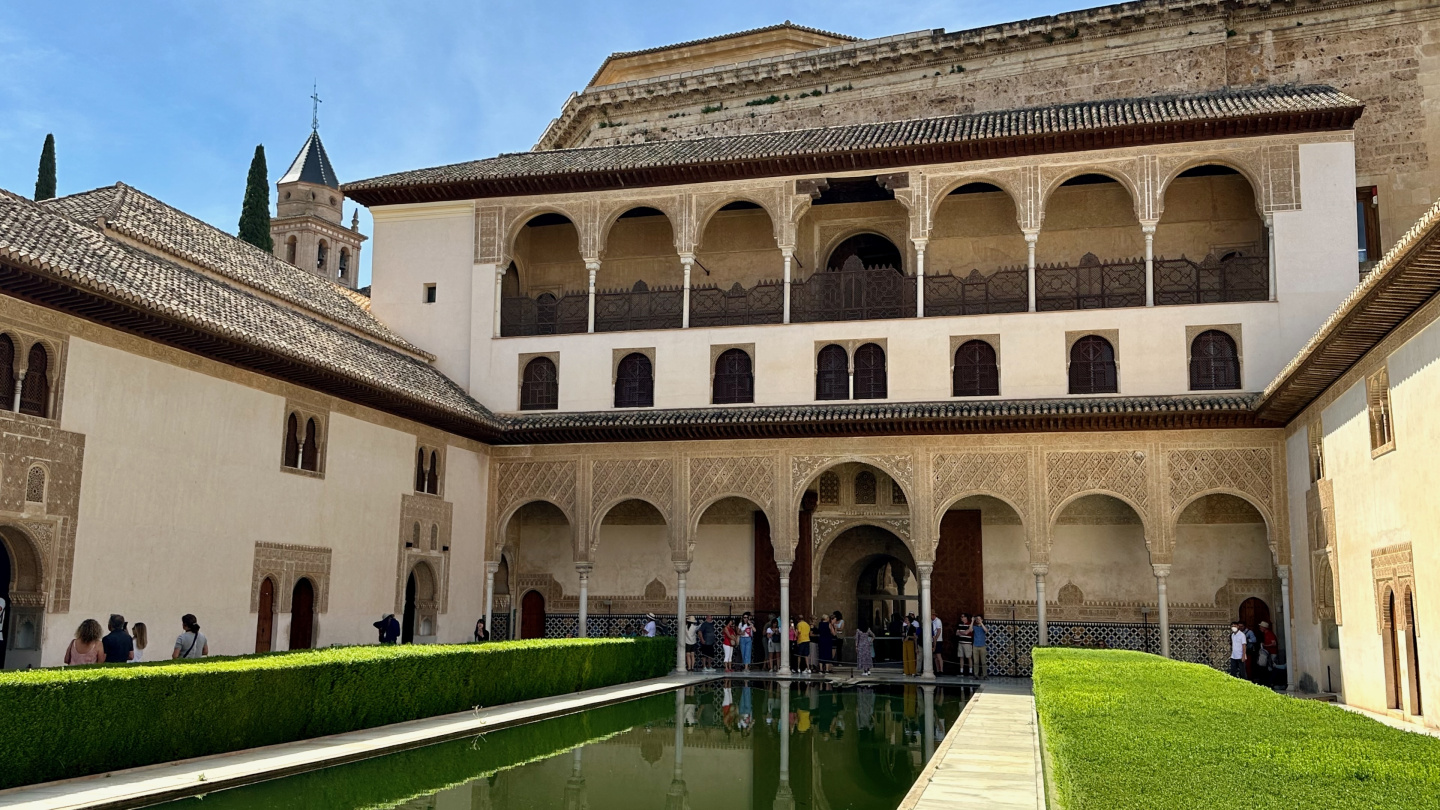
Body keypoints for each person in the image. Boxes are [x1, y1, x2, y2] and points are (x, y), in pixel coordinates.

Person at [971, 615, 989, 679]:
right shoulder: (974, 627)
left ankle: (985, 675)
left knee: (983, 661)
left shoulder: (983, 627)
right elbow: (970, 630)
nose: (978, 620)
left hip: (982, 646)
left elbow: (986, 630)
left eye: (979, 619)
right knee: (976, 662)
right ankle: (976, 675)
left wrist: (981, 623)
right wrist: (972, 621)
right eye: (977, 619)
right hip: (975, 646)